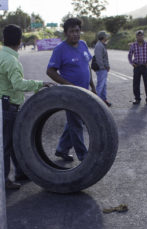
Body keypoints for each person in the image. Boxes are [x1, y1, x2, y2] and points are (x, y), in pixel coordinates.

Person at [0, 24, 53, 190]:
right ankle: (3, 180)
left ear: (3, 40)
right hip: (9, 107)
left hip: (0, 104)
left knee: (14, 141)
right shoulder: (11, 60)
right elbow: (18, 84)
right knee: (7, 145)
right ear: (19, 41)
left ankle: (20, 172)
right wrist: (39, 84)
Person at [46, 17, 96, 162]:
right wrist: (68, 85)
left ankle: (62, 149)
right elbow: (50, 71)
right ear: (66, 33)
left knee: (74, 122)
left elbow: (87, 66)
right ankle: (83, 156)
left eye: (77, 31)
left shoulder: (83, 45)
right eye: (72, 31)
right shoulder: (60, 50)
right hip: (71, 94)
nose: (75, 34)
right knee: (76, 124)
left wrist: (92, 86)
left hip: (85, 92)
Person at [128, 30, 147, 105]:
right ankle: (137, 99)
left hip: (145, 66)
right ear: (136, 36)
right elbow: (130, 55)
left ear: (143, 36)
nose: (140, 37)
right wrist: (132, 63)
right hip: (137, 66)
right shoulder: (133, 45)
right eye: (138, 35)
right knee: (136, 83)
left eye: (141, 35)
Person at [94, 31, 111, 107]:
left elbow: (105, 58)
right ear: (103, 37)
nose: (107, 37)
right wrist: (103, 68)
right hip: (101, 69)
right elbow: (99, 58)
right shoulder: (99, 46)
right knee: (100, 86)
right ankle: (95, 103)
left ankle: (103, 100)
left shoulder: (102, 44)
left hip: (104, 68)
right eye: (106, 36)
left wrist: (107, 66)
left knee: (103, 85)